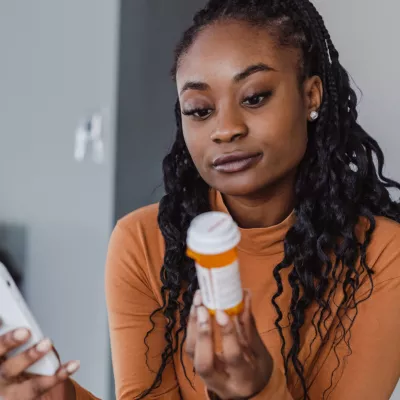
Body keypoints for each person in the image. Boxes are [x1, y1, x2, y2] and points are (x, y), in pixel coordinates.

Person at [1, 0, 400, 399]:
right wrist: (61, 397)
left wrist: (257, 390)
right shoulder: (144, 243)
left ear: (311, 96)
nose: (225, 130)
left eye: (255, 97)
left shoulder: (383, 255)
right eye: (200, 109)